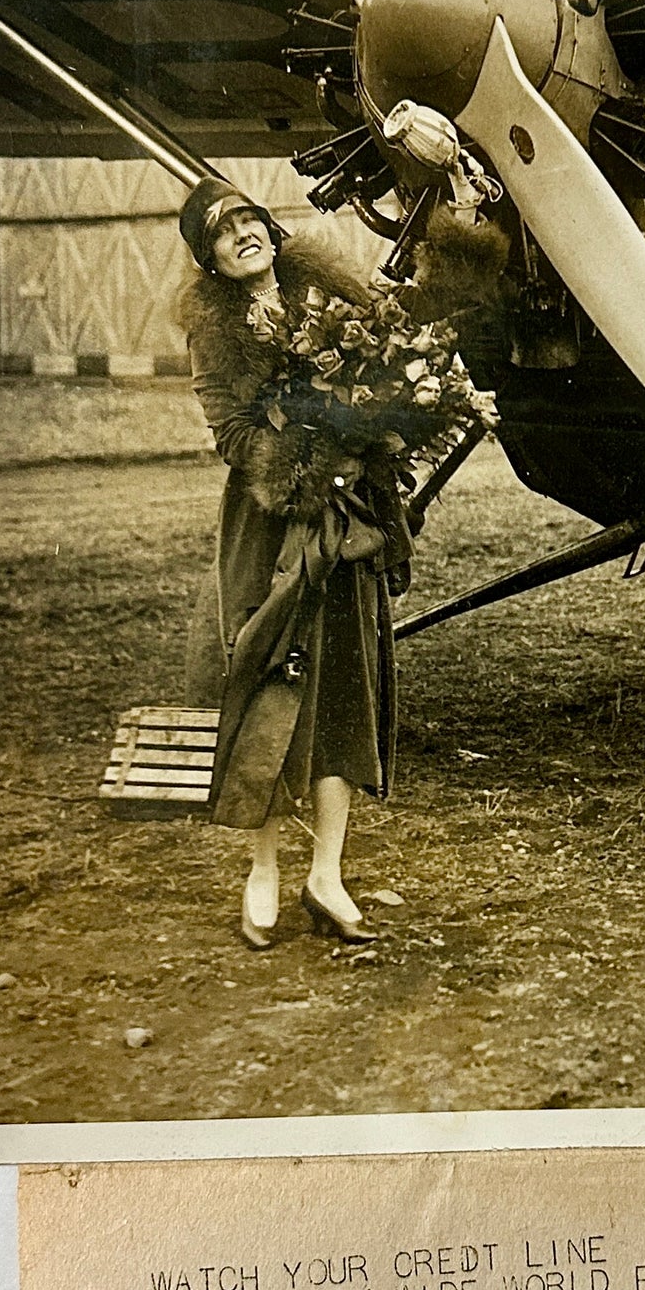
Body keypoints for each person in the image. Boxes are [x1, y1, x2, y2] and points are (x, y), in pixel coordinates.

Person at [177, 177, 408, 951]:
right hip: (272, 525)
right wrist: (311, 457)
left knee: (344, 685)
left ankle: (329, 873)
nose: (242, 232)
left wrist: (374, 423)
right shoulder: (218, 332)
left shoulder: (331, 301)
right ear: (209, 258)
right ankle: (265, 867)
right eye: (221, 230)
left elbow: (392, 362)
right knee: (274, 688)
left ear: (272, 232)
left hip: (350, 522)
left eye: (250, 218)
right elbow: (235, 439)